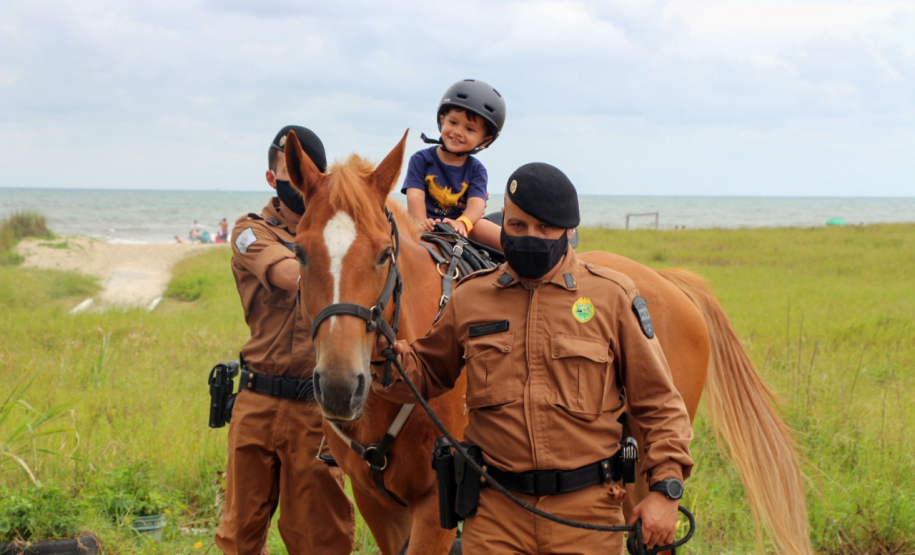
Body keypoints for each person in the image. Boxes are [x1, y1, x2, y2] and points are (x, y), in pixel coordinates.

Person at [374, 163, 694, 555]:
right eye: (518, 225)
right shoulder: (472, 297)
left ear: (568, 231)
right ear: (503, 223)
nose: (530, 237)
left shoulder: (611, 296)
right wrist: (378, 357)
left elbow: (658, 402)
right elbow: (424, 373)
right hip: (496, 515)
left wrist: (665, 489)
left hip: (587, 514)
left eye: (545, 228)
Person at [215, 125, 355, 554]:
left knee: (320, 539)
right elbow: (290, 274)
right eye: (288, 174)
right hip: (256, 400)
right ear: (271, 178)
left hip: (315, 408)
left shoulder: (340, 238)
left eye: (306, 174)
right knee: (239, 535)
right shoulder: (250, 231)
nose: (298, 183)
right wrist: (340, 258)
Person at [403, 79, 505, 250]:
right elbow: (415, 195)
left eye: (469, 129)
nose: (458, 132)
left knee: (486, 229)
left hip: (460, 225)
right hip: (426, 222)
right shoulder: (421, 160)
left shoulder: (476, 169)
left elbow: (476, 203)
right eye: (453, 122)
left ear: (485, 141)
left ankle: (524, 255)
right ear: (442, 120)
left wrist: (463, 222)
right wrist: (420, 222)